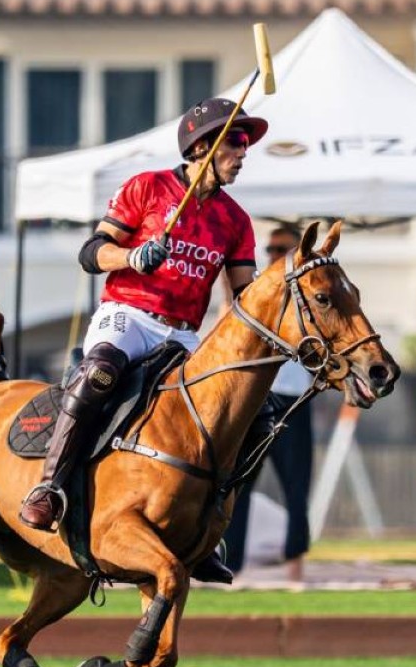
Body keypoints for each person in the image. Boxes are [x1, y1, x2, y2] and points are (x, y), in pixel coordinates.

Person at [18, 97, 265, 582]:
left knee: (255, 417)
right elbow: (91, 253)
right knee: (98, 374)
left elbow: (245, 294)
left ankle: (208, 531)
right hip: (128, 316)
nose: (243, 153)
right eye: (234, 142)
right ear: (202, 147)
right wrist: (133, 258)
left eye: (244, 144)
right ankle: (48, 489)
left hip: (182, 334)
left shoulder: (235, 220)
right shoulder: (147, 188)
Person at [222, 225, 315, 581]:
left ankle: (295, 565)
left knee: (296, 485)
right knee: (238, 483)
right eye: (271, 249)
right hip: (258, 397)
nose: (276, 256)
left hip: (294, 399)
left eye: (283, 249)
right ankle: (230, 565)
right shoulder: (258, 289)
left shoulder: (308, 292)